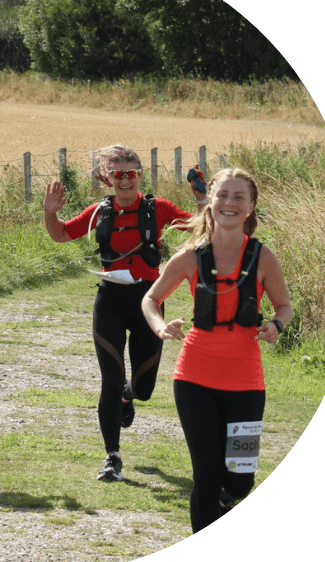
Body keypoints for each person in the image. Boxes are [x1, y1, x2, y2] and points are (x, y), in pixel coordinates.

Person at [141, 167, 292, 533]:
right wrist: (162, 327)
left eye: (239, 197)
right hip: (196, 379)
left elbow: (284, 306)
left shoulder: (263, 257)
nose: (229, 203)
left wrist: (275, 326)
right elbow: (151, 298)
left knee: (240, 479)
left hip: (245, 382)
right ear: (210, 200)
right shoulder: (192, 257)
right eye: (222, 195)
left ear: (252, 206)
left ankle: (227, 504)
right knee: (206, 474)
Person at [43, 145, 206, 481]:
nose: (125, 180)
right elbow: (60, 234)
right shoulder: (98, 211)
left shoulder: (158, 208)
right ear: (110, 178)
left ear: (140, 175)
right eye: (118, 174)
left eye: (131, 173)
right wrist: (49, 212)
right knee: (110, 378)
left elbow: (201, 228)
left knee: (143, 389)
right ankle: (112, 458)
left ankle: (127, 396)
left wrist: (202, 198)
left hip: (149, 302)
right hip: (110, 302)